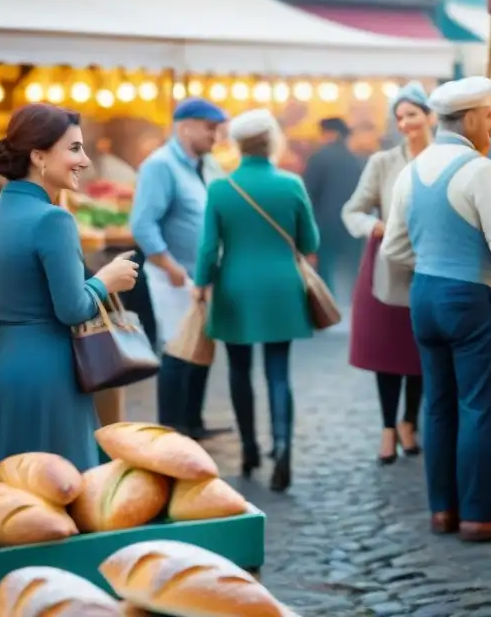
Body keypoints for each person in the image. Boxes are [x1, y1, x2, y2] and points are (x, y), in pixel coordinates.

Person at [382, 76, 491, 542]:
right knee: (477, 406)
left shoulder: (411, 170)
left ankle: (443, 510)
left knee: (437, 406)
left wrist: (436, 256)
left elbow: (394, 248)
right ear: (471, 117)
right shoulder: (479, 169)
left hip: (424, 295)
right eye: (490, 115)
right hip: (469, 297)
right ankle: (477, 514)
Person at [0, 104, 138, 476]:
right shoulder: (54, 220)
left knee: (6, 493)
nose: (84, 160)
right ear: (38, 156)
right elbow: (72, 309)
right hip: (50, 371)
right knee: (62, 488)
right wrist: (107, 278)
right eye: (74, 149)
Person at [192, 109, 319, 492]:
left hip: (235, 288)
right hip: (282, 288)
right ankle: (282, 447)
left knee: (238, 371)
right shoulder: (292, 184)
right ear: (273, 141)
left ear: (237, 145)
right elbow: (310, 242)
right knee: (278, 373)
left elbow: (208, 248)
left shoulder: (220, 188)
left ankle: (249, 448)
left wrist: (200, 285)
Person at [342, 82, 432, 464]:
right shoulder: (382, 163)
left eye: (412, 113)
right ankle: (387, 428)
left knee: (419, 351)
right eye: (399, 117)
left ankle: (410, 421)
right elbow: (353, 210)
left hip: (430, 264)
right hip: (386, 269)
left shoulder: (442, 159)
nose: (405, 122)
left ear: (430, 116)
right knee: (386, 353)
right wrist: (372, 227)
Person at [129, 98, 229, 440]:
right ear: (184, 126)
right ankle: (171, 429)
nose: (215, 135)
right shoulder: (160, 166)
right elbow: (143, 224)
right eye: (210, 128)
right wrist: (168, 265)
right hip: (172, 274)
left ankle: (193, 422)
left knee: (200, 347)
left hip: (201, 275)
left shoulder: (208, 164)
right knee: (176, 348)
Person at [303, 117, 364, 305]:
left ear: (331, 133)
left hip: (325, 224)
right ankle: (355, 307)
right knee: (353, 269)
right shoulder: (356, 160)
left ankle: (329, 307)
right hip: (353, 225)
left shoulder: (319, 158)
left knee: (326, 268)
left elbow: (307, 194)